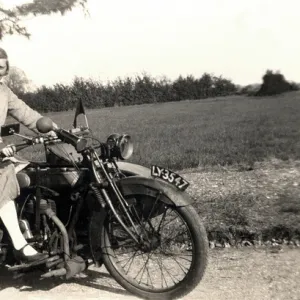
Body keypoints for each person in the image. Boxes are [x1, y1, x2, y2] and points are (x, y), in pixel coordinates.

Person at [0, 47, 57, 263]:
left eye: (2, 70)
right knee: (3, 173)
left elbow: (28, 115)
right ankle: (19, 244)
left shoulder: (4, 92)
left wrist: (56, 131)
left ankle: (32, 229)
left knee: (33, 173)